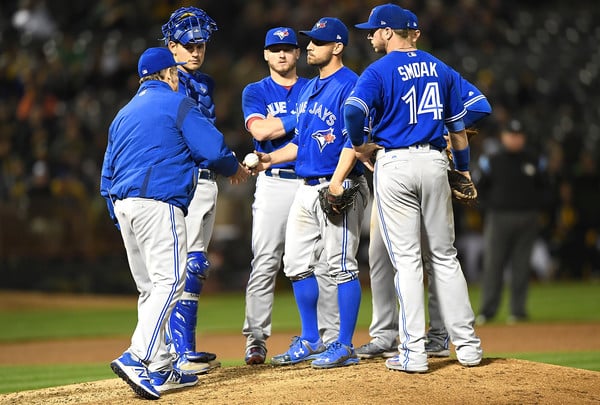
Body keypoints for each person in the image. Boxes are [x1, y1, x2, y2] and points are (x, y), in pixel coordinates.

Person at [100, 47, 248, 399]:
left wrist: (119, 214)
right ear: (169, 75)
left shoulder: (122, 114)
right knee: (171, 282)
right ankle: (137, 356)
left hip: (124, 206)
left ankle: (162, 365)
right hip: (158, 202)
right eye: (175, 73)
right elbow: (212, 150)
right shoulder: (176, 103)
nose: (178, 77)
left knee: (150, 288)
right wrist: (234, 168)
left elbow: (106, 173)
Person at [346, 3, 483, 372]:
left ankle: (414, 352)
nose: (370, 35)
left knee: (406, 261)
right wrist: (465, 171)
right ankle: (468, 347)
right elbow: (458, 130)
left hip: (397, 163)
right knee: (444, 256)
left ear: (389, 32)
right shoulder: (441, 68)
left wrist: (359, 145)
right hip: (436, 161)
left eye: (374, 30)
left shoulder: (377, 71)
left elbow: (353, 112)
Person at [253, 17, 370, 369]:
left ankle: (345, 344)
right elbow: (301, 141)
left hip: (339, 184)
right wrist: (269, 158)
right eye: (309, 41)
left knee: (342, 266)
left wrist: (337, 181)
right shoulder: (308, 89)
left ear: (337, 47)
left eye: (317, 42)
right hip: (305, 186)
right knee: (296, 265)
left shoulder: (352, 84)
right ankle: (311, 338)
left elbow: (355, 139)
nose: (309, 47)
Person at [241, 27, 339, 365]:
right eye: (275, 49)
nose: (282, 54)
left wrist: (282, 122)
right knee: (265, 261)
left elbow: (277, 128)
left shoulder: (314, 87)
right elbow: (260, 131)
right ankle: (256, 338)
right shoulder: (255, 90)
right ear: (266, 55)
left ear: (298, 54)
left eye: (288, 48)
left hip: (310, 180)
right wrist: (302, 119)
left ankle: (328, 336)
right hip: (273, 180)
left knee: (323, 262)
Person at [160, 6, 235, 374]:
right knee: (183, 264)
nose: (195, 51)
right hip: (186, 181)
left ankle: (185, 349)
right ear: (172, 46)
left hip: (208, 180)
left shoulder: (206, 82)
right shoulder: (166, 80)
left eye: (200, 45)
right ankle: (175, 352)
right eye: (188, 45)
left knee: (197, 264)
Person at [476, 119, 547, 325]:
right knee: (493, 265)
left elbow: (546, 187)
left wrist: (536, 207)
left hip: (528, 218)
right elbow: (479, 189)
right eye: (511, 135)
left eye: (518, 135)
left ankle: (518, 311)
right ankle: (487, 311)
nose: (515, 139)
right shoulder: (492, 160)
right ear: (503, 136)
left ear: (523, 137)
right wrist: (489, 208)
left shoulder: (534, 160)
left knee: (521, 266)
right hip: (498, 217)